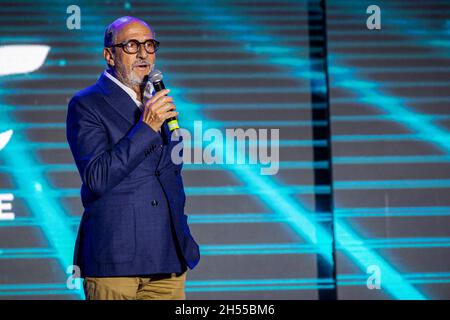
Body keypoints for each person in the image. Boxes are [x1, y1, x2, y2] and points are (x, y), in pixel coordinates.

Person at [66, 16, 200, 300]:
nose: (143, 53)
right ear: (109, 55)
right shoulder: (87, 104)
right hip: (116, 258)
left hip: (168, 256)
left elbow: (169, 174)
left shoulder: (158, 100)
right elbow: (97, 177)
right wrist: (147, 127)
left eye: (149, 44)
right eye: (131, 45)